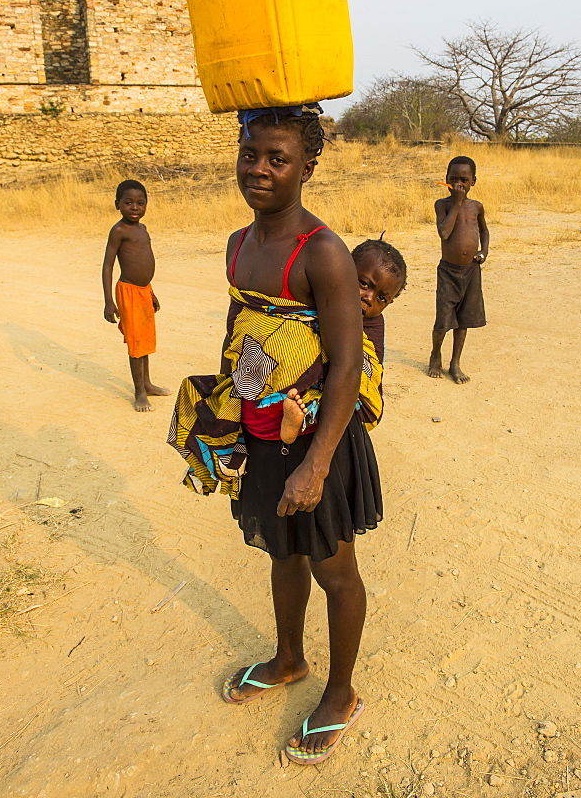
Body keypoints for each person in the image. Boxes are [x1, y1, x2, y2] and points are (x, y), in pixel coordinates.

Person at [168, 106, 381, 765]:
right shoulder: (239, 243)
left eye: (277, 159)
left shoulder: (320, 252)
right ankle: (288, 659)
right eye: (249, 153)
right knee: (280, 556)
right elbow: (240, 334)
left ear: (305, 169)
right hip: (263, 437)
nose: (258, 169)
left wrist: (315, 465)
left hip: (321, 443)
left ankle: (340, 694)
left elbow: (345, 363)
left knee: (332, 569)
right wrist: (226, 418)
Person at [280, 236, 407, 444]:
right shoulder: (322, 295)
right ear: (343, 269)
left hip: (354, 404)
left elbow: (364, 369)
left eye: (382, 298)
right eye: (364, 284)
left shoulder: (373, 324)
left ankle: (298, 422)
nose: (369, 298)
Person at [102, 179, 170, 412]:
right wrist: (108, 301)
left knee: (146, 340)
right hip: (128, 291)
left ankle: (148, 384)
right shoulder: (119, 231)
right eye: (128, 202)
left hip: (143, 291)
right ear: (117, 204)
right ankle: (139, 392)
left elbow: (143, 262)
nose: (134, 207)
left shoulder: (142, 229)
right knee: (136, 343)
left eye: (140, 203)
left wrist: (151, 292)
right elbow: (108, 266)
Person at [427, 156, 489, 384]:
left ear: (474, 181)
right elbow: (444, 233)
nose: (459, 184)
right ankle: (435, 355)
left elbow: (484, 231)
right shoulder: (442, 205)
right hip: (449, 272)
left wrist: (484, 251)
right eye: (454, 179)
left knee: (463, 319)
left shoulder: (477, 207)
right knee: (443, 319)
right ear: (446, 181)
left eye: (464, 180)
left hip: (471, 271)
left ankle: (455, 362)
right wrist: (456, 203)